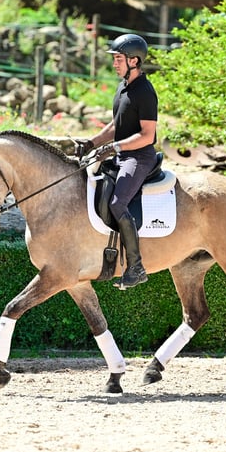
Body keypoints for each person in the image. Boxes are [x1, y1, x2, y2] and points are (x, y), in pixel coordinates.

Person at [75, 33, 159, 290]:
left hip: (139, 157)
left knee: (117, 202)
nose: (115, 63)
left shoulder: (145, 92)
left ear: (134, 61)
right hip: (120, 154)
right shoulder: (123, 86)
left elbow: (148, 135)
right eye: (114, 58)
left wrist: (115, 147)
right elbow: (115, 125)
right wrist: (91, 143)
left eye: (119, 59)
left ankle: (135, 267)